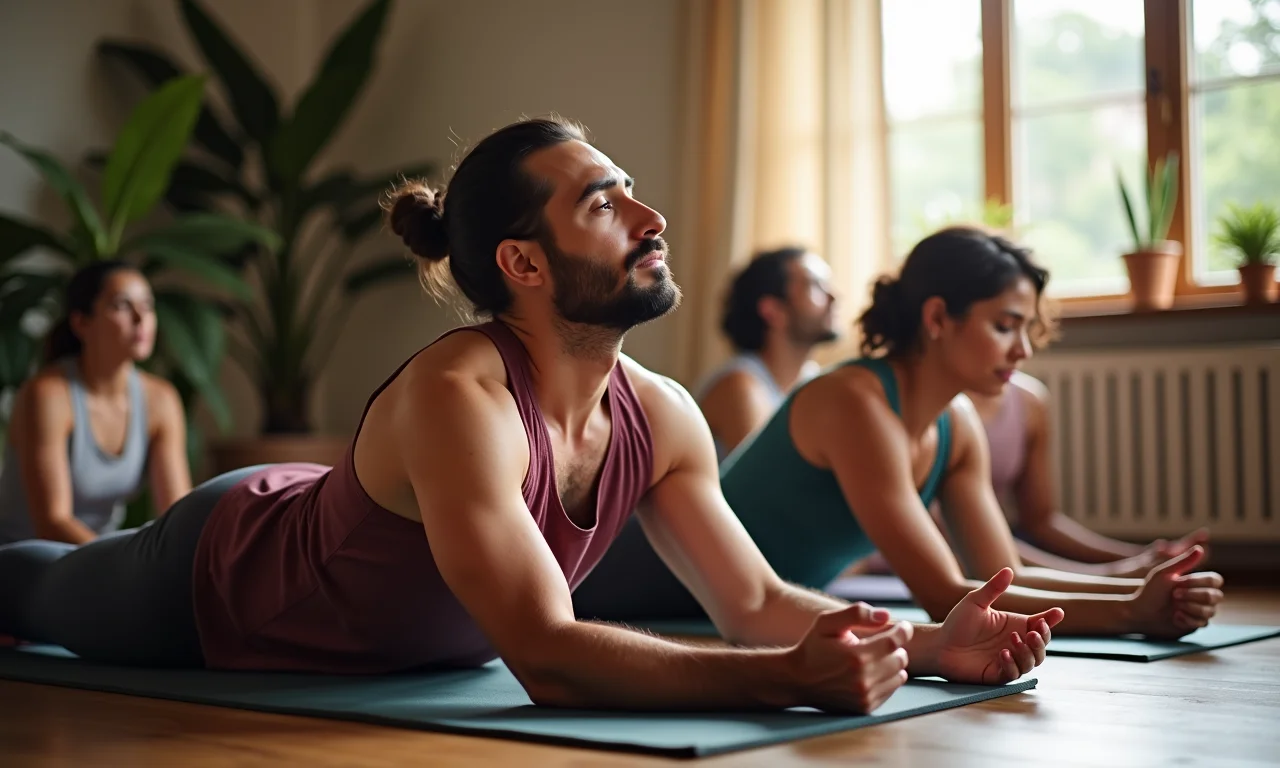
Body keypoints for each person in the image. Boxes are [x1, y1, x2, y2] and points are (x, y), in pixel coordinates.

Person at [0, 118, 1060, 714]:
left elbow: (750, 601)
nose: (648, 218)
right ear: (522, 265)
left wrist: (928, 646)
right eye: (602, 205)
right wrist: (789, 678)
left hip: (379, 636)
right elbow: (545, 656)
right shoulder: (458, 395)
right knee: (33, 587)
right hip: (216, 577)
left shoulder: (665, 413)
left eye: (630, 190)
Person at [580, 226, 1223, 639]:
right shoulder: (855, 402)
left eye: (1027, 328)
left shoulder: (957, 423)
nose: (1024, 349)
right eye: (1005, 325)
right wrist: (1129, 612)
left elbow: (999, 572)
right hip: (626, 577)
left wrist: (1135, 587)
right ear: (939, 317)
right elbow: (945, 596)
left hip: (742, 603)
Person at [0, 261, 191, 545]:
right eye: (122, 306)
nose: (141, 318)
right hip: (27, 560)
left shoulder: (160, 400)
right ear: (81, 323)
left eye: (148, 305)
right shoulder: (47, 396)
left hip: (98, 558)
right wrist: (121, 568)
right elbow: (52, 523)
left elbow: (179, 514)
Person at [970, 373, 1209, 578]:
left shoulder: (1029, 401)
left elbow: (1040, 521)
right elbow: (968, 539)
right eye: (1004, 327)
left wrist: (1141, 557)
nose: (1024, 350)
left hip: (1004, 545)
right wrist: (1118, 576)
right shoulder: (947, 411)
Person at [696, 247, 837, 460]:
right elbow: (767, 488)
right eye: (815, 285)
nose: (833, 297)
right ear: (773, 310)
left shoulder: (813, 380)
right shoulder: (739, 386)